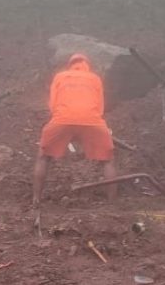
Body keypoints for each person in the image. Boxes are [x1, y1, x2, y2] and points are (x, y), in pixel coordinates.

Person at [32, 53, 117, 205]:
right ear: (87, 65)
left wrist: (66, 122)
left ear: (70, 64)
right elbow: (100, 106)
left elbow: (52, 104)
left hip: (62, 119)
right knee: (108, 160)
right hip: (92, 121)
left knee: (43, 156)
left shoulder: (60, 76)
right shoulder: (95, 78)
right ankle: (112, 203)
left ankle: (36, 199)